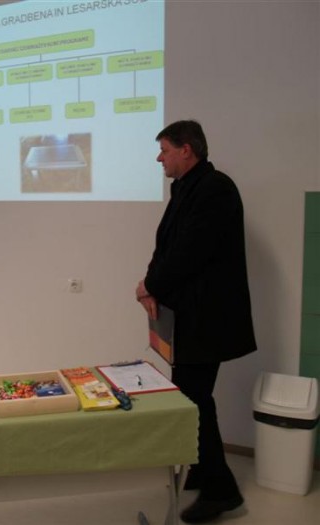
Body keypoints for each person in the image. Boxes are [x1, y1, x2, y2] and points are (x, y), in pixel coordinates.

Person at [136, 121, 256, 523]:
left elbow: (189, 253)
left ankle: (222, 491)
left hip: (207, 319)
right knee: (193, 397)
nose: (160, 158)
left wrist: (150, 285)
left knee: (194, 400)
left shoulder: (215, 189)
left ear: (186, 150)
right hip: (189, 317)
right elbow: (166, 246)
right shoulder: (187, 188)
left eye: (165, 150)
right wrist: (151, 285)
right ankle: (203, 470)